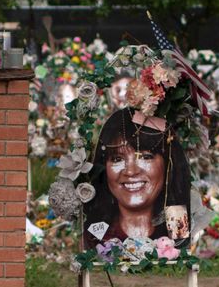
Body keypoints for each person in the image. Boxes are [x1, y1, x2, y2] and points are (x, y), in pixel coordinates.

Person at [80, 106, 191, 248]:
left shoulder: (181, 230)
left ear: (168, 163)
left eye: (145, 157)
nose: (131, 171)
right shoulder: (93, 236)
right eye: (117, 159)